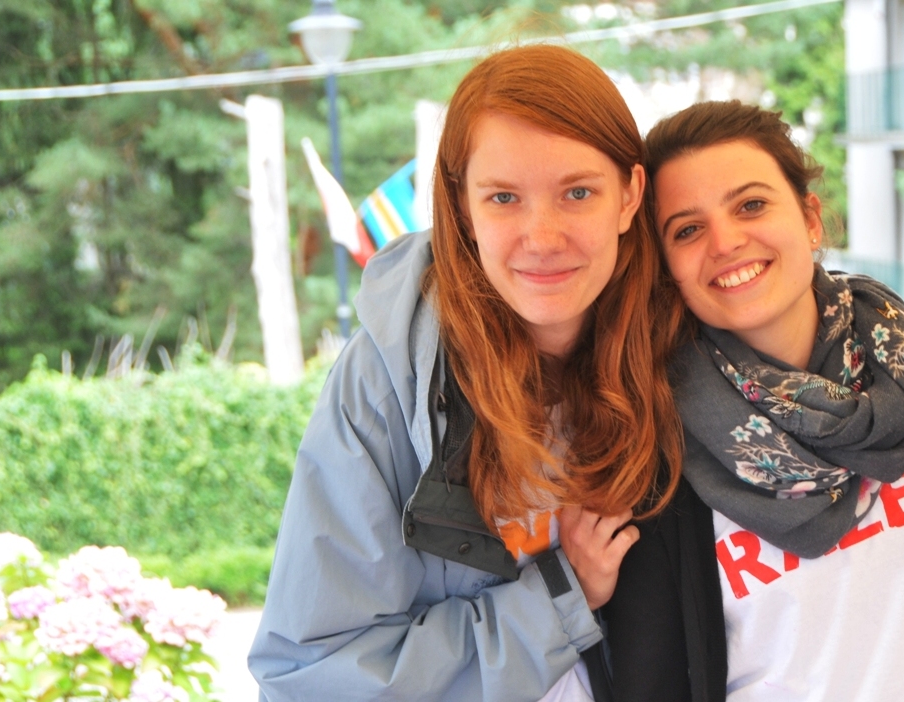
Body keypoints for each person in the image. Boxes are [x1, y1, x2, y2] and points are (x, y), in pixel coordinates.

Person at [602, 101, 904, 701]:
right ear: (666, 267)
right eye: (687, 229)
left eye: (751, 205)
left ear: (810, 218)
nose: (725, 241)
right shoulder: (658, 445)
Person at [247, 44, 684, 702]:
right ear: (462, 208)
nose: (542, 237)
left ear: (629, 196)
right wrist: (558, 601)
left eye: (577, 192)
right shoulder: (388, 381)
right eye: (504, 197)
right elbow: (313, 674)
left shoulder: (676, 345)